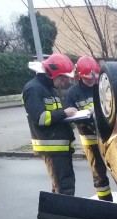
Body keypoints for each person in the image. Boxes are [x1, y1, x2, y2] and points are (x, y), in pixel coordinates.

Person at [23, 53, 78, 195]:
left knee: (61, 186)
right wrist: (64, 113)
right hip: (52, 146)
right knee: (64, 188)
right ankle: (65, 216)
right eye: (62, 78)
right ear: (51, 74)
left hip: (58, 145)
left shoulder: (49, 88)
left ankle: (59, 215)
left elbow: (55, 116)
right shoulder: (33, 89)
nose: (64, 82)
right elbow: (40, 118)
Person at [64, 55, 113, 201]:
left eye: (94, 78)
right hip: (90, 140)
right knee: (99, 173)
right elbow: (68, 117)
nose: (92, 80)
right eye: (88, 78)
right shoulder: (72, 93)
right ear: (80, 76)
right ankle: (106, 203)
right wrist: (85, 113)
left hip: (106, 136)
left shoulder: (101, 87)